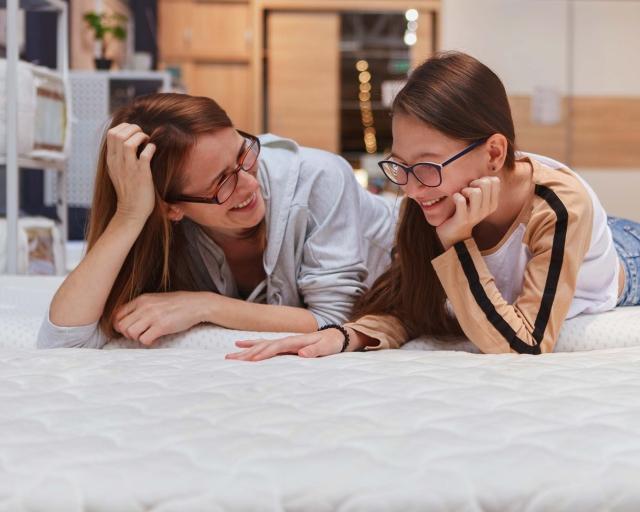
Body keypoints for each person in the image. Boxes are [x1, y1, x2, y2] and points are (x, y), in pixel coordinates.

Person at [226, 51, 639, 362]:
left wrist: (458, 243)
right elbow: (411, 302)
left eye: (425, 165)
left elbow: (523, 344)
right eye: (400, 166)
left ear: (494, 153)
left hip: (622, 261)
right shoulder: (427, 189)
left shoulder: (560, 206)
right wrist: (348, 336)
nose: (410, 187)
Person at [37, 93, 396, 348]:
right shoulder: (162, 222)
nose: (249, 183)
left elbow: (336, 320)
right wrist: (130, 215)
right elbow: (64, 340)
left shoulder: (320, 176)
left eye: (243, 153)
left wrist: (204, 305)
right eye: (222, 182)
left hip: (417, 270)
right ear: (171, 208)